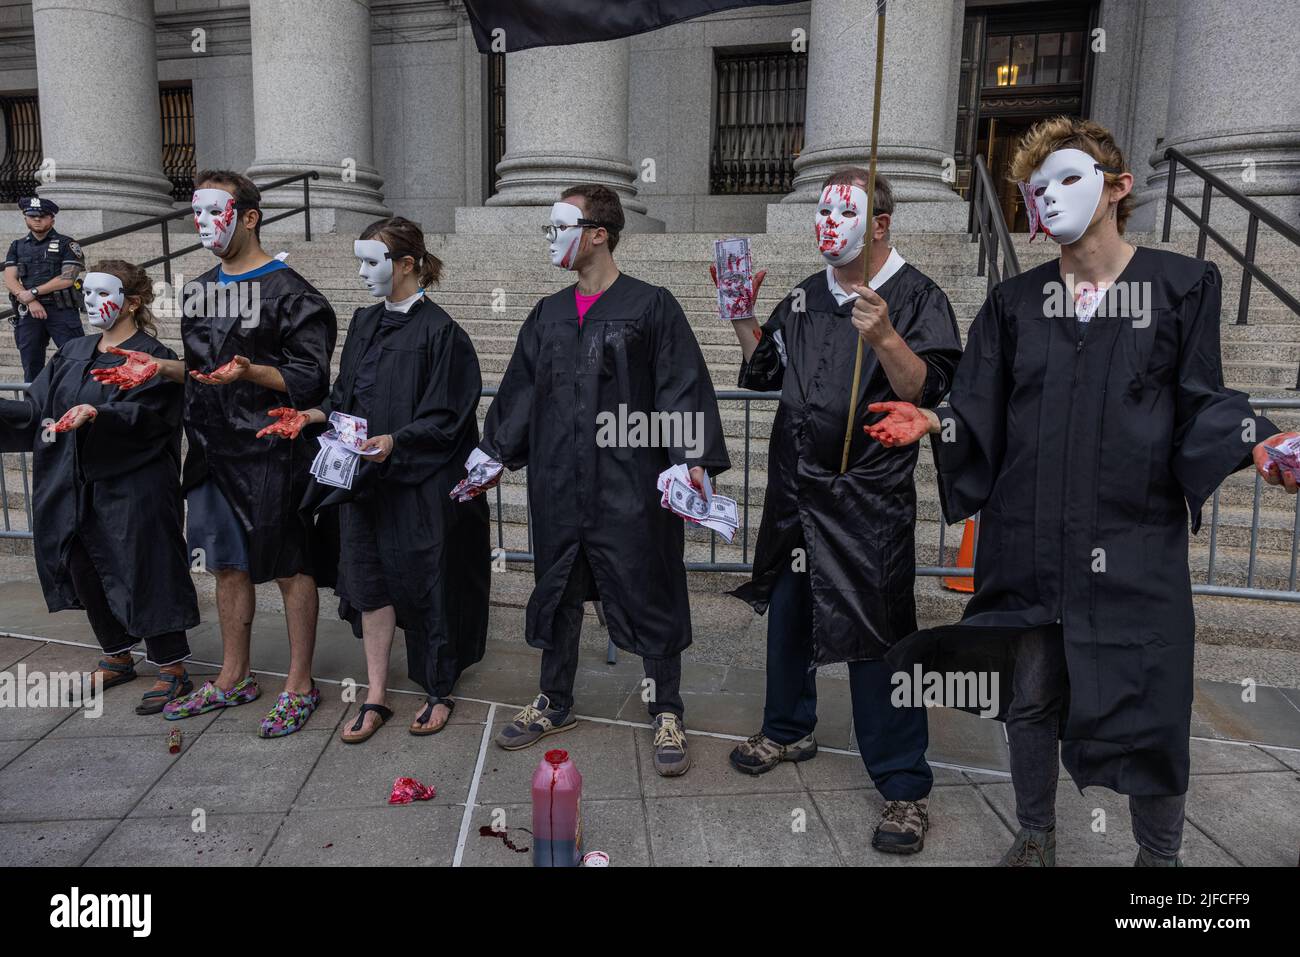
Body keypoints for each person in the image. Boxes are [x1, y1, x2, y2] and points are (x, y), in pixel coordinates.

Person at [865, 117, 1300, 866]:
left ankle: (1159, 857)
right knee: (1030, 694)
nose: (1051, 197)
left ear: (1118, 188)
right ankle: (1035, 831)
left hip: (1132, 545)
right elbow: (979, 407)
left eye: (1069, 178)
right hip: (1030, 541)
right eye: (1037, 189)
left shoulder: (1181, 286)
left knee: (1154, 705)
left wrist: (1254, 437)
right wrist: (934, 420)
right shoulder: (1015, 301)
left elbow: (1203, 396)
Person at [720, 169, 962, 854]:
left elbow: (929, 391)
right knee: (791, 614)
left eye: (842, 211)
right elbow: (763, 369)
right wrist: (742, 313)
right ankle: (789, 725)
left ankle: (904, 784)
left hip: (868, 501)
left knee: (879, 638)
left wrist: (885, 335)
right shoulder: (801, 296)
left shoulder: (916, 296)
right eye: (820, 210)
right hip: (797, 492)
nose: (826, 222)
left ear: (880, 223)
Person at [456, 184, 730, 776]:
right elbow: (522, 391)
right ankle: (554, 701)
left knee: (651, 586)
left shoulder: (652, 305)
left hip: (631, 484)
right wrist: (493, 451)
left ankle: (666, 708)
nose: (550, 237)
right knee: (556, 591)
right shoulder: (548, 313)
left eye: (560, 226)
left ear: (599, 232)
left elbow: (680, 383)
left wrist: (692, 457)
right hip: (558, 483)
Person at [95, 170, 337, 738]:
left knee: (289, 565)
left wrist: (253, 371)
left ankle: (300, 683)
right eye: (195, 214)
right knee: (227, 565)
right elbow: (203, 371)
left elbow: (312, 378)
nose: (202, 224)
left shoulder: (294, 293)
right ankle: (234, 676)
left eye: (213, 212)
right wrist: (161, 367)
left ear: (249, 216)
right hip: (209, 446)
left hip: (272, 447)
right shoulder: (200, 286)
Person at [260, 216, 491, 742]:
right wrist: (313, 416)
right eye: (360, 261)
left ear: (406, 264)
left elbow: (450, 416)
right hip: (364, 484)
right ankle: (376, 694)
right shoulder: (364, 322)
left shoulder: (443, 334)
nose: (362, 272)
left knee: (430, 585)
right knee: (369, 585)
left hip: (421, 488)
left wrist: (396, 441)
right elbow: (345, 397)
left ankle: (438, 689)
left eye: (372, 262)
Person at [0, 260, 197, 713]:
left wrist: (100, 415)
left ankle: (172, 667)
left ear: (133, 301)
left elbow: (151, 419)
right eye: (85, 293)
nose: (90, 302)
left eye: (100, 293)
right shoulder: (73, 351)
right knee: (82, 561)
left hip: (133, 484)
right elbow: (36, 412)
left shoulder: (151, 357)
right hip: (72, 481)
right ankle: (116, 653)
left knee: (143, 565)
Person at [4, 196, 85, 382]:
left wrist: (33, 292)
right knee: (31, 365)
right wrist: (31, 301)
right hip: (30, 313)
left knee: (76, 360)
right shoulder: (17, 246)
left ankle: (75, 403)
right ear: (25, 218)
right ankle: (33, 408)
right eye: (32, 216)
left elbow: (67, 278)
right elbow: (10, 278)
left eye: (43, 216)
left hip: (62, 310)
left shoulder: (68, 244)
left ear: (52, 219)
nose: (37, 219)